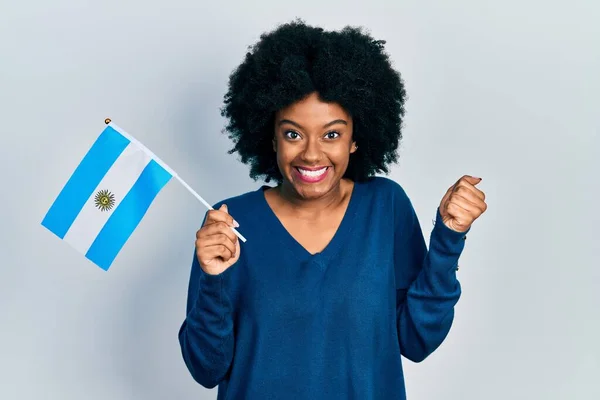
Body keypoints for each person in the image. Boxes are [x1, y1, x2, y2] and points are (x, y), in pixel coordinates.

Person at [178, 19, 487, 400]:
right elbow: (206, 368)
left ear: (356, 139)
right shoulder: (229, 224)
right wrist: (212, 281)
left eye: (332, 134)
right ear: (269, 136)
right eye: (292, 133)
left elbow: (416, 340)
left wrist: (448, 239)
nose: (311, 153)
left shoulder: (385, 207)